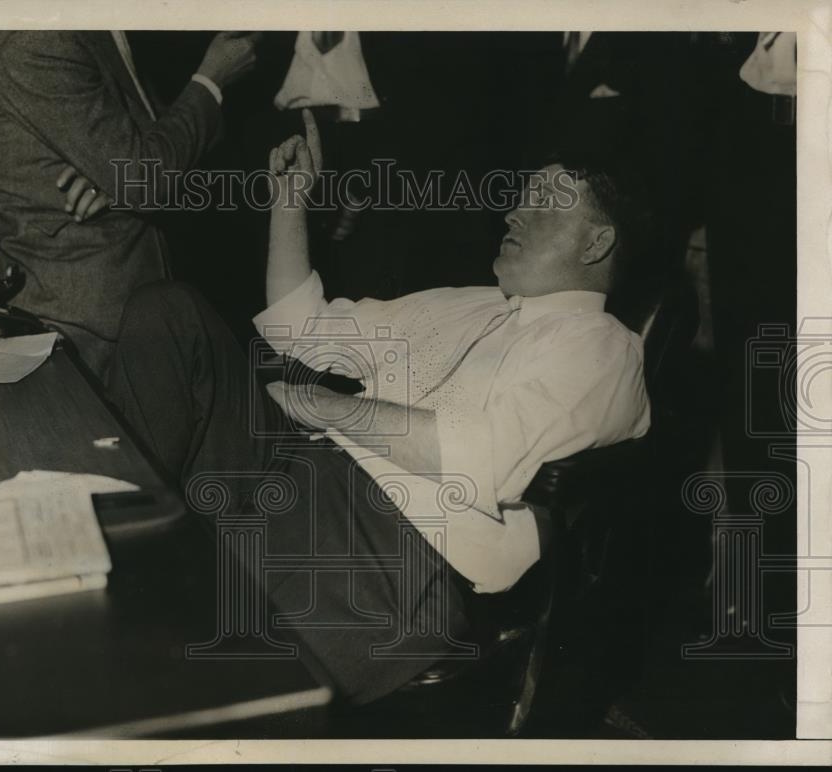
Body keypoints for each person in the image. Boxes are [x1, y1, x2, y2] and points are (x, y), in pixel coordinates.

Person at [105, 111, 652, 704]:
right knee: (169, 314)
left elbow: (483, 459)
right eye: (520, 198)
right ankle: (107, 536)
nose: (515, 212)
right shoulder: (470, 301)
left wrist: (334, 410)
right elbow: (301, 329)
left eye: (545, 204)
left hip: (391, 545)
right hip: (299, 470)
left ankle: (129, 600)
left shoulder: (602, 346)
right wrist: (290, 202)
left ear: (598, 242)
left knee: (168, 634)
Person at [0, 31, 259, 378]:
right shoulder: (34, 38)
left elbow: (153, 150)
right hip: (88, 327)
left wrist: (113, 168)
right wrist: (212, 82)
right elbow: (148, 175)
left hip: (138, 309)